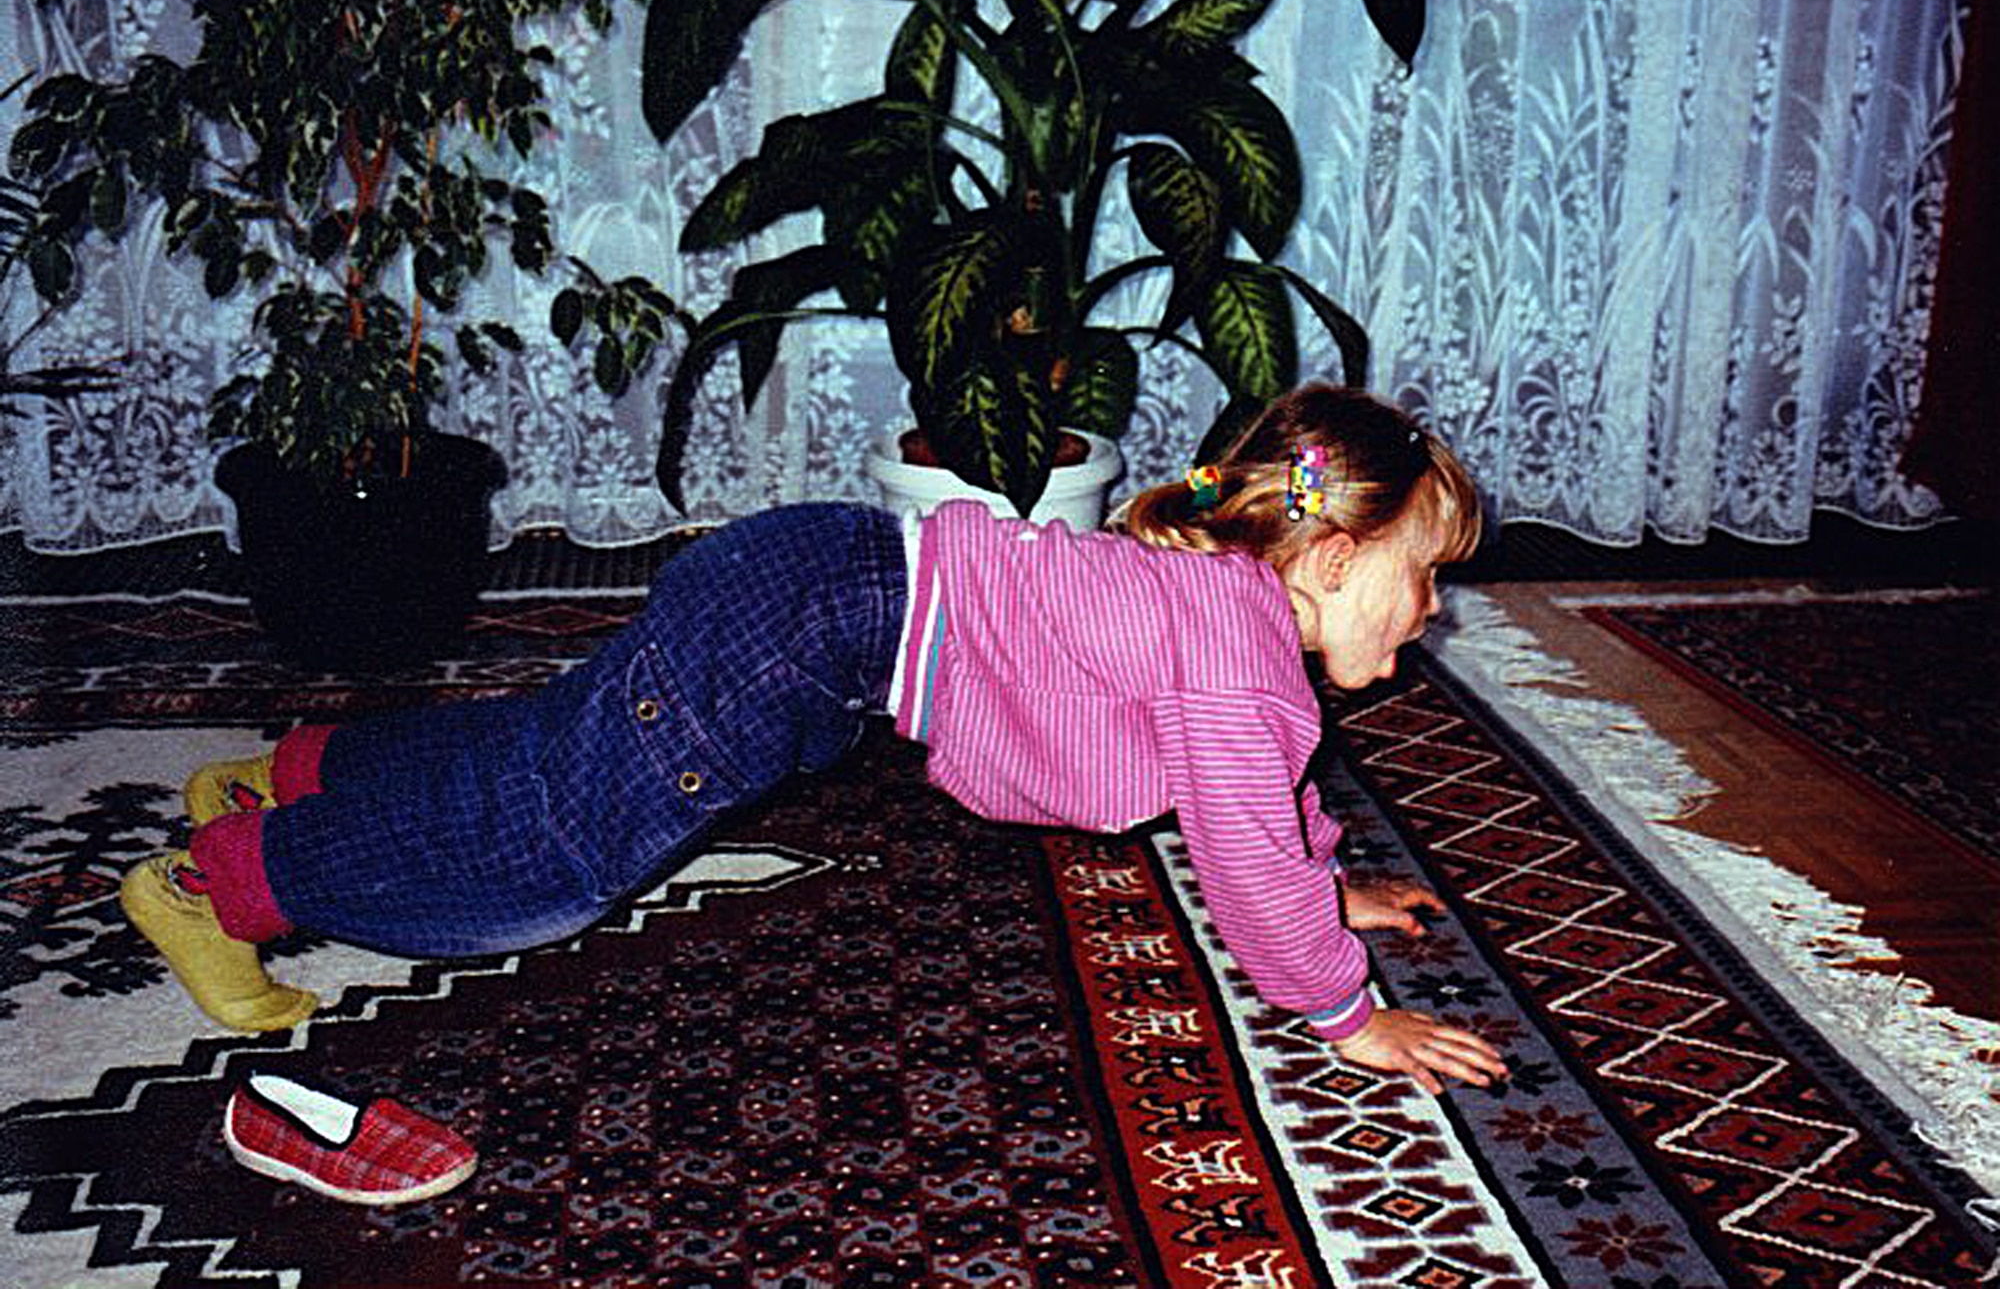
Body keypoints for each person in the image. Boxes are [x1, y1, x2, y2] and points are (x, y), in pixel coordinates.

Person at [124, 384, 1508, 1095]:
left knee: (557, 745)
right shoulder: (1241, 651)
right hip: (812, 634)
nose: (1432, 608)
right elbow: (1248, 850)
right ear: (1328, 555)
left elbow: (1264, 810)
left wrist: (1334, 888)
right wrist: (1344, 1007)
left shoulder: (1222, 611)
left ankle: (291, 772)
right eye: (1425, 571)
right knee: (550, 854)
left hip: (813, 582)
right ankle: (224, 882)